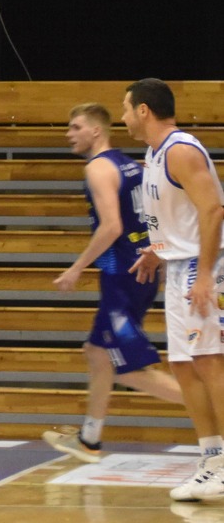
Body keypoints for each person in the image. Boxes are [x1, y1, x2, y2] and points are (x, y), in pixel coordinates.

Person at [43, 102, 184, 462]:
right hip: (136, 272)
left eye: (75, 127)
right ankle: (89, 439)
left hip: (122, 276)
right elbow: (152, 216)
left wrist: (76, 268)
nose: (69, 134)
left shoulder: (98, 168)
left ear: (96, 131)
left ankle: (212, 405)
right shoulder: (130, 164)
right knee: (96, 352)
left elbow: (111, 228)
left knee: (132, 371)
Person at [124, 78, 224, 502]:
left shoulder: (181, 150)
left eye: (126, 109)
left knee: (210, 361)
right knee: (184, 365)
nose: (123, 117)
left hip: (204, 265)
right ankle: (213, 461)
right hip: (179, 264)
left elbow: (213, 210)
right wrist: (157, 250)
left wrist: (205, 274)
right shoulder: (153, 153)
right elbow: (179, 217)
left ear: (143, 110)